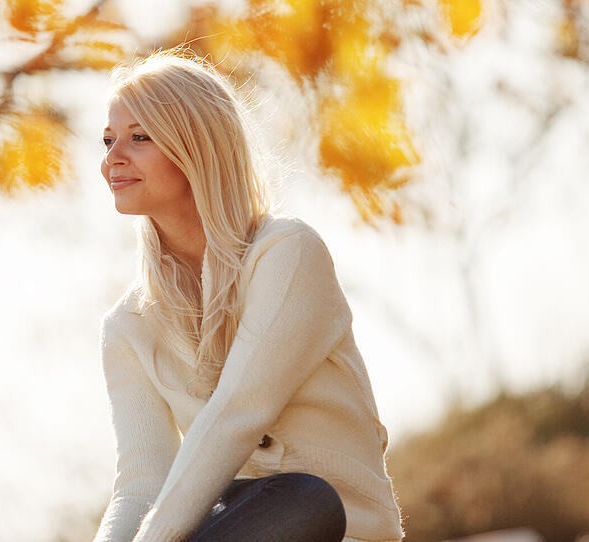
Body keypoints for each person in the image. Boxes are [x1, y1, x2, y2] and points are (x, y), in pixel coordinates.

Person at [92, 48, 404, 542]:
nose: (113, 158)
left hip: (333, 525)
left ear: (196, 146)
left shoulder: (287, 254)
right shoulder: (128, 326)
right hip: (228, 527)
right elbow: (141, 486)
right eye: (108, 140)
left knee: (303, 498)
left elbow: (238, 413)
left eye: (139, 137)